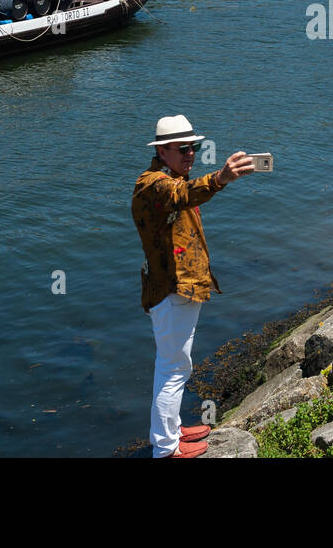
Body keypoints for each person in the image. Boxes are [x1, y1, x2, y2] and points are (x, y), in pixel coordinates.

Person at [132, 115, 254, 458]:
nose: (191, 154)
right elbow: (181, 194)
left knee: (175, 364)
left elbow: (182, 194)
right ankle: (166, 449)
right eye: (183, 149)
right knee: (172, 368)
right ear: (162, 151)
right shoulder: (153, 185)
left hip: (180, 289)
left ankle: (170, 431)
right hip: (172, 292)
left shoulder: (170, 178)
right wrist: (221, 178)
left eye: (194, 147)